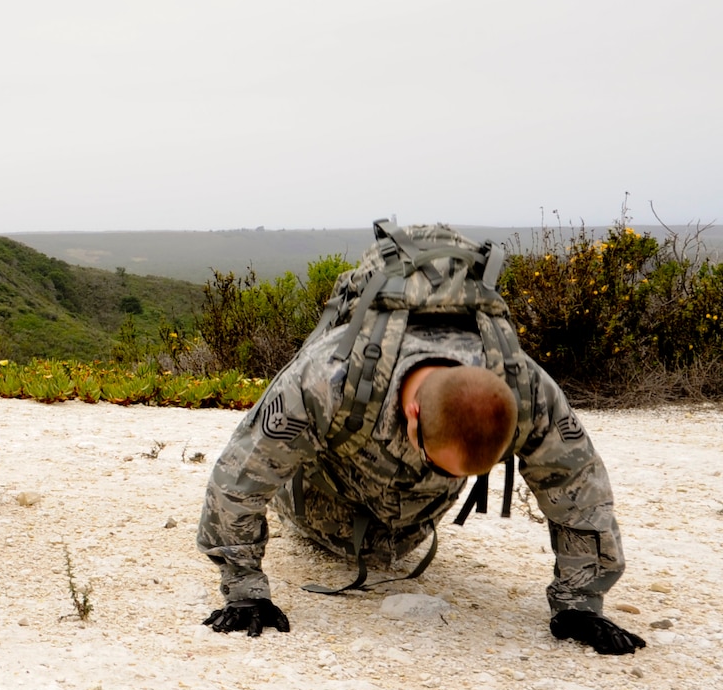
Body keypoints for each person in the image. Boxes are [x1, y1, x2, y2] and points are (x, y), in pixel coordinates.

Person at [197, 228, 643, 656]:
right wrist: (243, 589)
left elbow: (580, 488)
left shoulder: (526, 388)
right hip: (320, 506)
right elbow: (240, 476)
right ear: (413, 414)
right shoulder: (327, 377)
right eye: (438, 462)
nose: (440, 476)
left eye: (459, 475)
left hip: (413, 526)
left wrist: (581, 604)